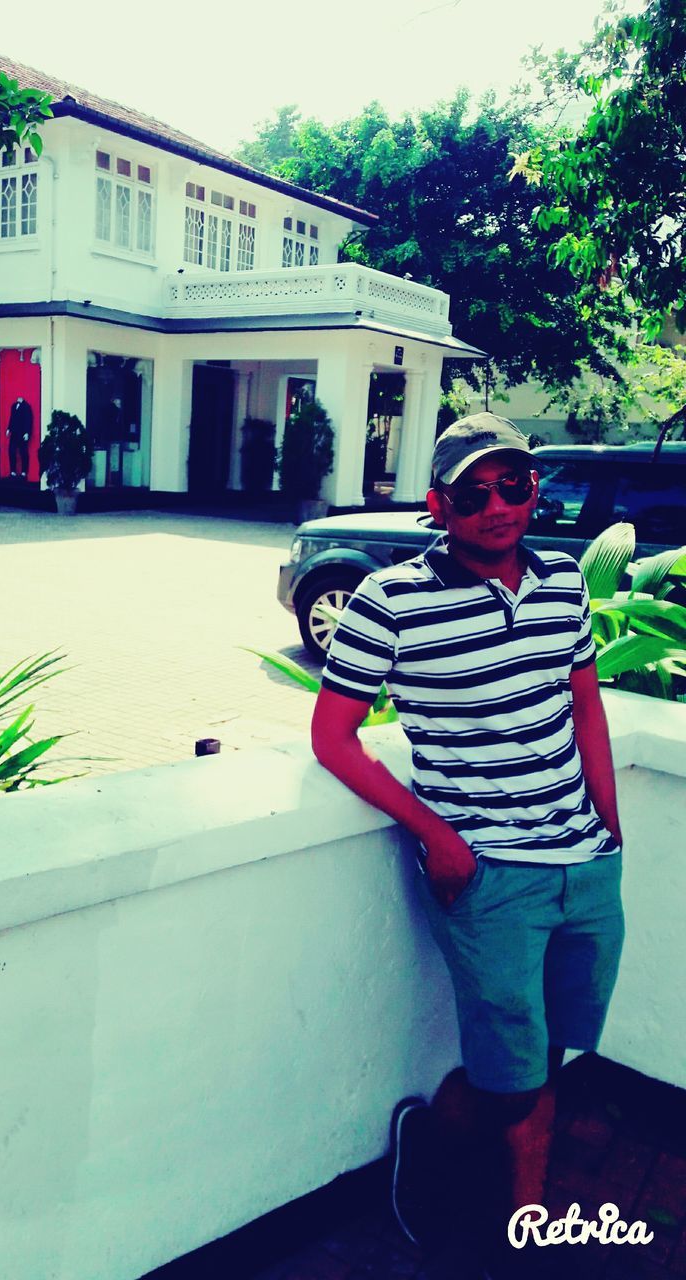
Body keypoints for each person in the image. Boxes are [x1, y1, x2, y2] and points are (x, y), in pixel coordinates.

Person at [310, 413, 624, 1279]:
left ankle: (467, 1160)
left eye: (513, 484)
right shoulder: (389, 601)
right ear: (438, 504)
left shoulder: (563, 581)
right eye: (474, 492)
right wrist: (438, 837)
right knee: (518, 1077)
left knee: (548, 1049)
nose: (497, 505)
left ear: (534, 490)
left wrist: (609, 825)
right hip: (488, 874)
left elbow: (585, 704)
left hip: (585, 862)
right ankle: (520, 1230)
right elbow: (333, 738)